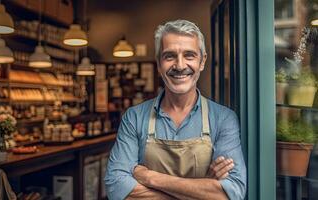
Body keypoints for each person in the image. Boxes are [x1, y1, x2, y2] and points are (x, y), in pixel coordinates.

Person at [105, 19, 246, 200]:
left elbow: (232, 193)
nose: (179, 66)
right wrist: (202, 189)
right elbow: (116, 189)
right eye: (169, 56)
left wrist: (150, 177)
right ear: (158, 63)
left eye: (189, 55)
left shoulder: (223, 118)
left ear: (202, 61)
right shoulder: (134, 117)